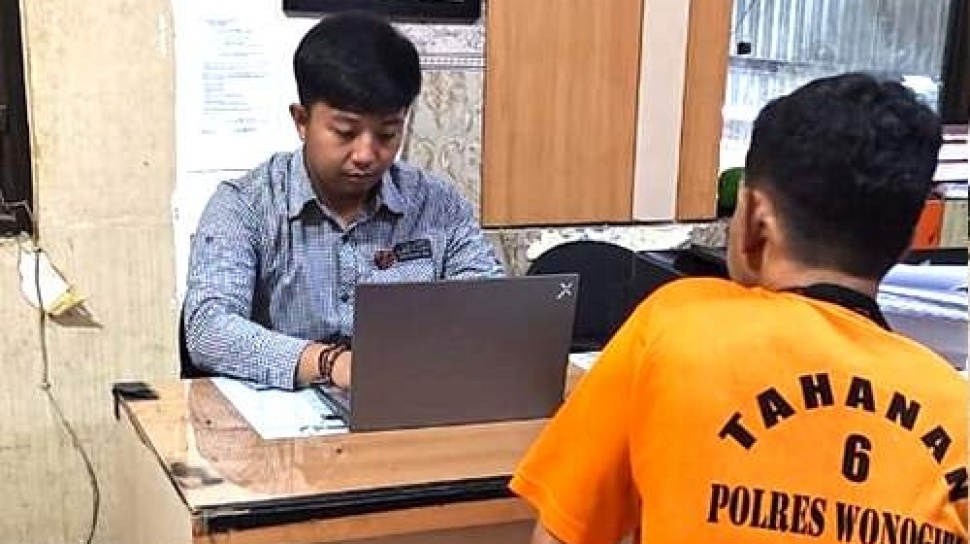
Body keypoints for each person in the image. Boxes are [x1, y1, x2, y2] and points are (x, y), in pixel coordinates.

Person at [511, 73, 967, 544]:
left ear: (755, 221)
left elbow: (561, 537)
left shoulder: (677, 327)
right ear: (910, 238)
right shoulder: (957, 410)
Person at [183, 12, 503, 391]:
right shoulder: (245, 206)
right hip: (285, 414)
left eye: (387, 134)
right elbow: (208, 329)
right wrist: (329, 363)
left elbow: (490, 306)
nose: (366, 155)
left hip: (409, 399)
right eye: (345, 132)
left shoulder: (436, 204)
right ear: (301, 121)